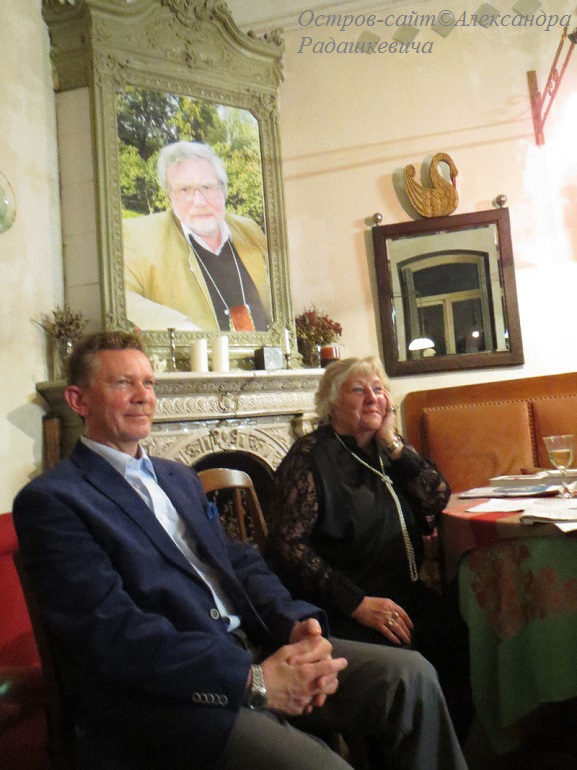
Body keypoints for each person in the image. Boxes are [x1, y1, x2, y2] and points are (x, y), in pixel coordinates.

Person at [13, 332, 467, 770]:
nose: (143, 396)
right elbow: (112, 634)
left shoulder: (177, 477)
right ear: (77, 400)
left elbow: (242, 562)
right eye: (122, 383)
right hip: (173, 698)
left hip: (256, 645)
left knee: (410, 676)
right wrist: (251, 679)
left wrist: (295, 623)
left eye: (148, 382)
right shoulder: (55, 499)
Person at [266, 356, 473, 741]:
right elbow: (287, 547)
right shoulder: (310, 457)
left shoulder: (386, 450)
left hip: (404, 595)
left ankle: (454, 747)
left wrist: (394, 444)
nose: (372, 397)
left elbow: (436, 498)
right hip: (344, 606)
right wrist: (356, 602)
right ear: (331, 403)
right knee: (409, 663)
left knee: (459, 633)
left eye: (378, 389)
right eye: (358, 389)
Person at [123, 141, 271, 332]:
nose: (199, 201)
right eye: (184, 190)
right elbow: (120, 299)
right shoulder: (139, 236)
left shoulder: (250, 231)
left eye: (207, 187)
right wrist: (180, 328)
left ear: (223, 190)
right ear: (170, 196)